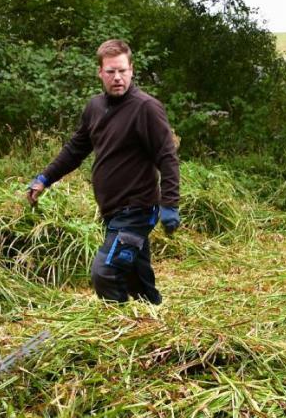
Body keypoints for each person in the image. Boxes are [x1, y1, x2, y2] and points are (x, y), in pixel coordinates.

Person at [27, 39, 180, 304]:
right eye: (111, 71)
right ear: (100, 72)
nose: (117, 77)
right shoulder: (95, 107)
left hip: (137, 209)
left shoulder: (146, 108)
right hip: (112, 210)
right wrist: (45, 178)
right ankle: (155, 316)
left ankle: (119, 321)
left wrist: (170, 204)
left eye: (122, 70)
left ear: (131, 70)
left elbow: (167, 158)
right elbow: (75, 150)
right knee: (136, 279)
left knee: (106, 272)